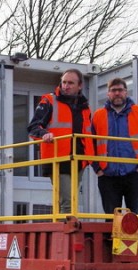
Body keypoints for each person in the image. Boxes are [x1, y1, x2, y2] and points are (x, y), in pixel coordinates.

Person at [27, 69, 94, 214]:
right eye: (64, 82)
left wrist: (90, 159)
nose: (66, 86)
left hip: (79, 161)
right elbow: (33, 127)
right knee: (68, 202)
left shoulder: (85, 108)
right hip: (58, 159)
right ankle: (69, 234)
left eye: (70, 83)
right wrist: (44, 134)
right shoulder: (49, 101)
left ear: (79, 86)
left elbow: (88, 134)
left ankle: (63, 229)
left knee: (72, 200)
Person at [90, 78, 138, 215]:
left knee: (136, 218)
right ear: (108, 94)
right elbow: (90, 144)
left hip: (134, 173)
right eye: (114, 90)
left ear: (126, 92)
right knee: (112, 220)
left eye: (120, 90)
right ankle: (113, 238)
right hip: (108, 175)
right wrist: (98, 169)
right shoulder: (98, 116)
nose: (117, 93)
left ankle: (136, 238)